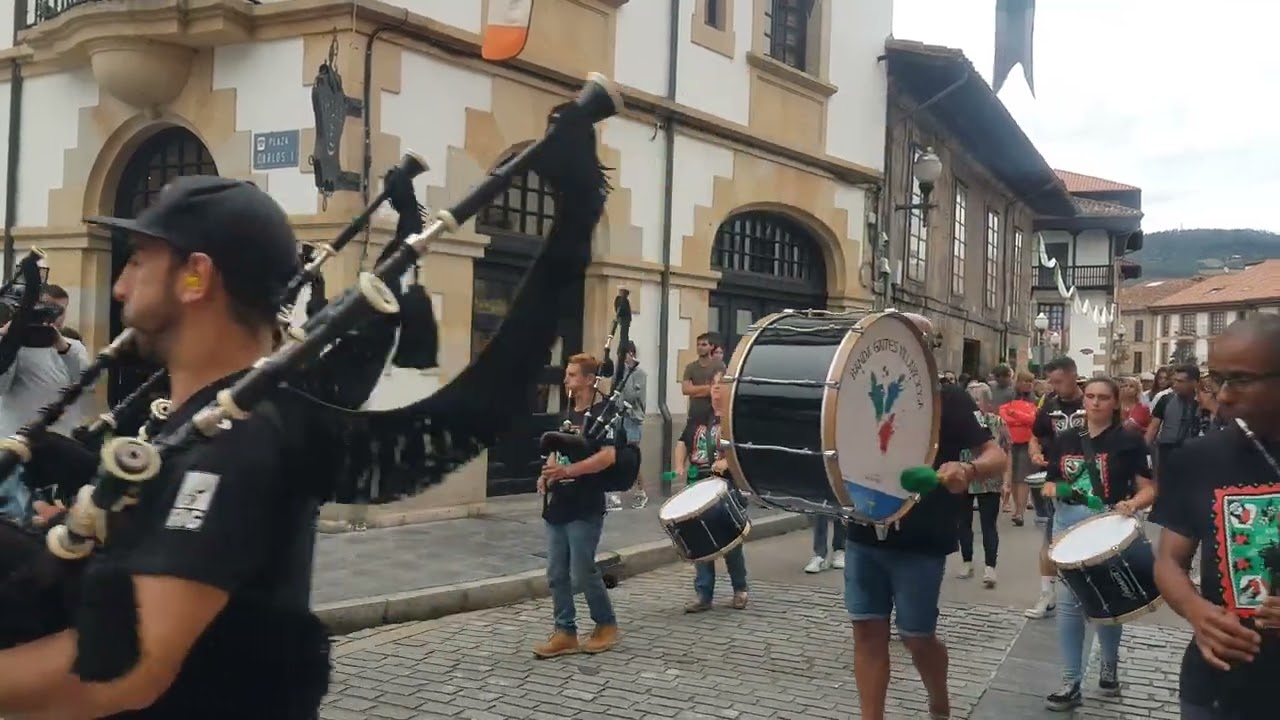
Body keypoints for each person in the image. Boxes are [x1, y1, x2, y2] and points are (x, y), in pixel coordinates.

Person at [0, 176, 340, 717]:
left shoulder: (242, 440)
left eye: (137, 261)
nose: (119, 286)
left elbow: (131, 669)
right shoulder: (202, 416)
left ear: (195, 276)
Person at [845, 365, 1007, 720]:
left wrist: (968, 470)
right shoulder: (856, 388)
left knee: (916, 637)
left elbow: (996, 455)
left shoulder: (947, 398)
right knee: (867, 632)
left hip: (923, 536)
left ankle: (938, 700)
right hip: (864, 528)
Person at [1151, 316, 1280, 720]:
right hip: (1215, 689)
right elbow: (1169, 561)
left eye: (1240, 380)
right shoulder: (1197, 458)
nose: (1223, 396)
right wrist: (1196, 611)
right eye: (1217, 378)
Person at [1040, 377, 1156, 711]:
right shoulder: (1065, 439)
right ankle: (1070, 680)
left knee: (1108, 601)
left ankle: (1108, 665)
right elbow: (1050, 482)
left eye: (1103, 397)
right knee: (1068, 603)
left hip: (1108, 526)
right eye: (1089, 396)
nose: (1095, 403)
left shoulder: (1129, 440)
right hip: (1067, 527)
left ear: (1116, 402)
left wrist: (1132, 505)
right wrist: (1057, 490)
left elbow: (1149, 488)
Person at [534, 352, 620, 658]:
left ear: (588, 379)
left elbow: (608, 457)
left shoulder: (604, 413)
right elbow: (556, 450)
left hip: (585, 503)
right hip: (559, 503)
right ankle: (565, 632)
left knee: (582, 571)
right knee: (556, 573)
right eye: (567, 373)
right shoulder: (567, 412)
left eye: (572, 375)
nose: (566, 379)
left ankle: (606, 625)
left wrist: (567, 472)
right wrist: (547, 473)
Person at [0, 283, 91, 523]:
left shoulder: (74, 348)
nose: (55, 319)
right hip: (20, 454)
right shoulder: (14, 347)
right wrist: (8, 341)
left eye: (60, 312)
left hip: (61, 452)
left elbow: (87, 383)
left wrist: (61, 345)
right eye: (48, 311)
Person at [676, 369, 749, 612]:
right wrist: (678, 465)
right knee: (699, 540)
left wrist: (728, 462)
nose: (717, 390)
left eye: (721, 385)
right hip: (698, 483)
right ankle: (703, 595)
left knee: (730, 542)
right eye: (714, 385)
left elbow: (743, 451)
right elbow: (683, 441)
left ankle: (740, 589)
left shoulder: (734, 418)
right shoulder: (699, 415)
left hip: (725, 486)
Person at [1025, 356, 1086, 620]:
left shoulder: (1091, 403)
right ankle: (1047, 595)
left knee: (1084, 540)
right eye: (1051, 381)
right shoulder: (1049, 405)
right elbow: (1035, 435)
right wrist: (1035, 451)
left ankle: (1084, 596)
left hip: (1087, 483)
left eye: (1059, 381)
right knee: (1050, 537)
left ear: (1074, 375)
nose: (1054, 386)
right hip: (1055, 480)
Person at [957, 382, 1006, 588]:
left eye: (979, 400)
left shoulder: (997, 422)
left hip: (990, 479)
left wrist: (1008, 480)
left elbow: (1005, 451)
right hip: (964, 476)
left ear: (988, 402)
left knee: (988, 523)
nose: (975, 404)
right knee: (963, 521)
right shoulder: (959, 422)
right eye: (972, 400)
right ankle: (967, 561)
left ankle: (990, 567)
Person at [998, 370, 1039, 526]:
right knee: (1012, 476)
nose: (1028, 385)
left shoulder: (1035, 399)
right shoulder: (1009, 395)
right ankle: (1014, 506)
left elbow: (1033, 419)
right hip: (1009, 441)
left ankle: (1020, 511)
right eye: (1025, 381)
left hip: (1027, 441)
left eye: (1030, 382)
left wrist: (1015, 413)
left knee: (1023, 476)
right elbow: (1002, 416)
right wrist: (1021, 418)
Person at [1147, 364, 1201, 476]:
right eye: (1174, 381)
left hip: (1194, 451)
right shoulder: (1165, 400)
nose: (1175, 385)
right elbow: (1153, 428)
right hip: (1167, 450)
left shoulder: (1202, 402)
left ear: (1194, 383)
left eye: (1181, 381)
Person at [615, 340, 648, 510]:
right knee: (615, 455)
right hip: (618, 418)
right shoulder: (619, 372)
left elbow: (629, 395)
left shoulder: (639, 374)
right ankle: (615, 494)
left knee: (632, 457)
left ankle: (640, 492)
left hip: (632, 419)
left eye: (624, 354)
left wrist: (628, 370)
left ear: (631, 354)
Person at [681, 332, 725, 431]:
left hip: (712, 414)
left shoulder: (719, 365)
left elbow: (716, 389)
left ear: (711, 347)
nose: (700, 347)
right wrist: (707, 388)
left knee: (709, 444)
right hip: (695, 413)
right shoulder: (691, 367)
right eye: (698, 345)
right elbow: (685, 390)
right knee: (691, 443)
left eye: (704, 345)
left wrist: (695, 391)